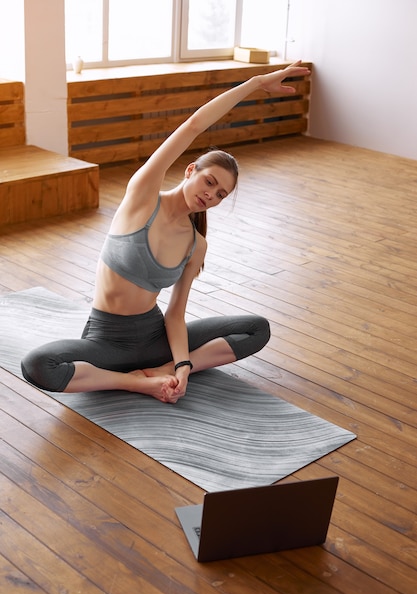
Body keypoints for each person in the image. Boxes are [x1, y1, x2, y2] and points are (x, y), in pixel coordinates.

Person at [21, 61, 310, 403]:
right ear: (190, 170)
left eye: (221, 195)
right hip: (106, 339)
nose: (211, 195)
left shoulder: (195, 244)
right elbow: (193, 125)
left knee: (257, 328)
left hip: (155, 338)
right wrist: (255, 83)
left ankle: (163, 371)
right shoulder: (143, 197)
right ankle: (138, 382)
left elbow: (175, 313)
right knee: (38, 364)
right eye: (209, 181)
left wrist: (184, 365)